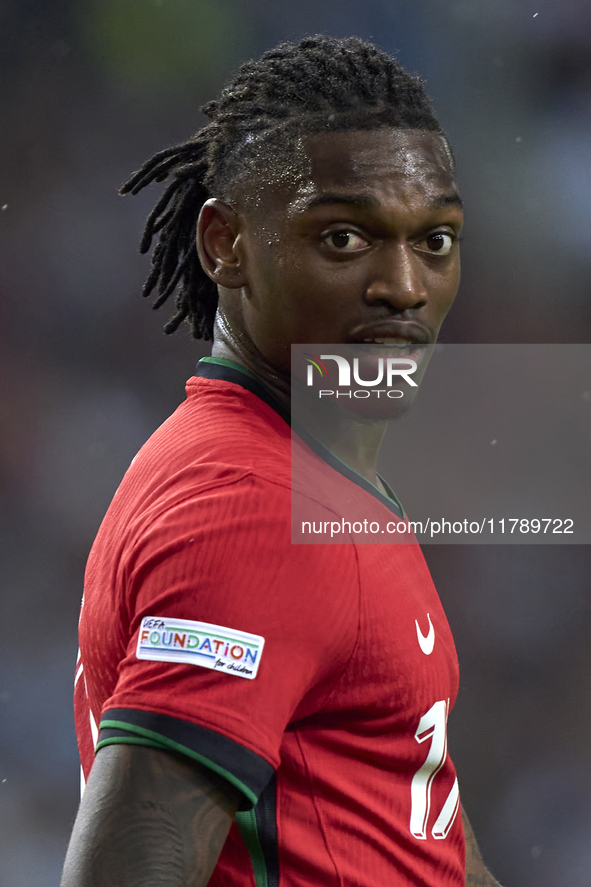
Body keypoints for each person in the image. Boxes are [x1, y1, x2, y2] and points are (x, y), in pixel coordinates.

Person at [61, 35, 502, 887]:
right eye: (344, 238)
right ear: (225, 243)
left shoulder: (309, 475)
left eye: (436, 241)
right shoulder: (249, 506)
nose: (404, 285)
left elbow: (420, 841)